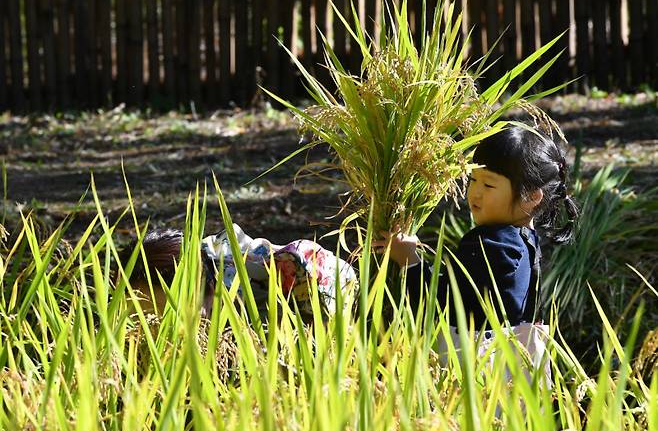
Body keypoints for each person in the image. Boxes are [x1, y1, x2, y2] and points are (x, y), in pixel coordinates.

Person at [374, 125, 579, 332]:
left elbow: (439, 303)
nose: (475, 193)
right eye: (473, 180)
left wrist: (408, 260)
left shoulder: (490, 244)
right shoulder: (528, 241)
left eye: (489, 185)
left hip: (470, 357)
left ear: (532, 197)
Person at [120, 224, 358, 322]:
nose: (153, 326)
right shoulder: (152, 274)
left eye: (165, 316)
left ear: (207, 290)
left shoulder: (295, 273)